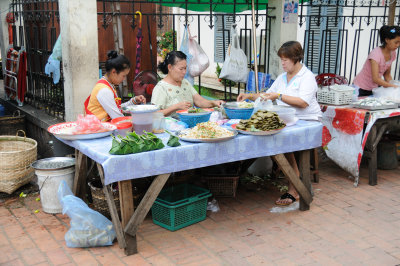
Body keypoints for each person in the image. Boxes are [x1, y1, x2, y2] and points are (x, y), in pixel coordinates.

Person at [237, 41, 321, 205]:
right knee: (273, 139)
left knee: (280, 143)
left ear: (296, 58)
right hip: (288, 119)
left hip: (307, 120)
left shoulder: (307, 77)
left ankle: (294, 188)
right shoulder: (283, 78)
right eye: (281, 60)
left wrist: (279, 96)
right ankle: (294, 184)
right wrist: (248, 95)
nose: (282, 63)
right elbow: (267, 95)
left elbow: (303, 102)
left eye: (285, 60)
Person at [151, 51, 224, 117]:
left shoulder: (185, 82)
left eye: (185, 68)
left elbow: (199, 101)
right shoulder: (161, 88)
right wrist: (175, 107)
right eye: (181, 69)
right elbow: (154, 114)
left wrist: (214, 103)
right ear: (170, 67)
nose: (184, 72)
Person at [85, 50, 146, 122]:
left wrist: (134, 101)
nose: (124, 79)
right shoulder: (104, 90)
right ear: (114, 72)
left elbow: (116, 109)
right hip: (97, 130)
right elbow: (117, 117)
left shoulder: (109, 85)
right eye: (123, 76)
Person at [353, 25, 400, 97]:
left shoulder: (393, 53)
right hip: (360, 88)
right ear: (387, 40)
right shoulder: (376, 54)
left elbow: (387, 75)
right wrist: (392, 86)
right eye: (396, 42)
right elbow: (376, 79)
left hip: (374, 88)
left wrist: (393, 87)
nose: (398, 45)